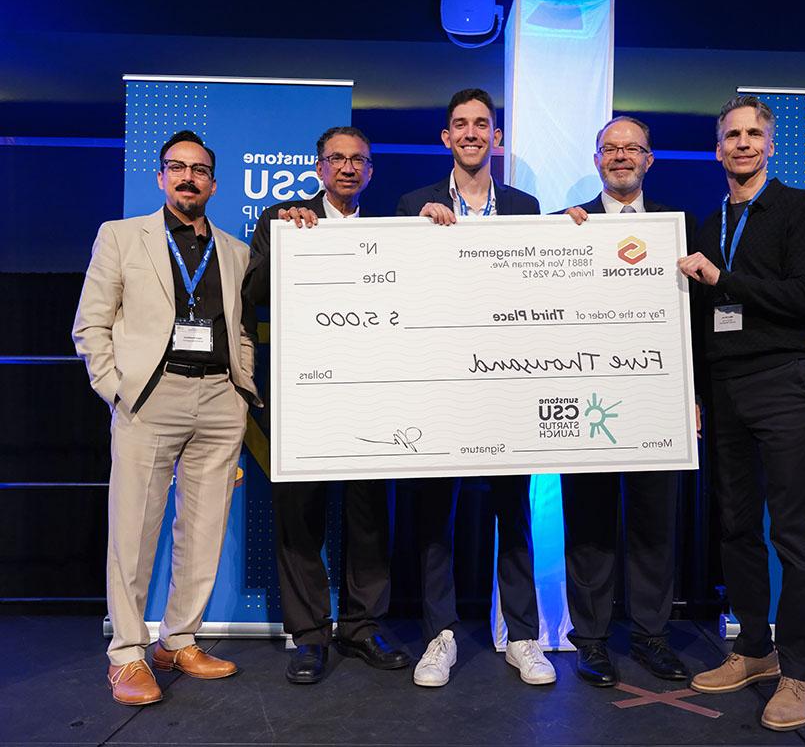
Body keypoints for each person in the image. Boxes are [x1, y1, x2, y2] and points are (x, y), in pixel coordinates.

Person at [72, 130, 259, 705]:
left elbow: (240, 329)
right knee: (133, 529)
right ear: (160, 177)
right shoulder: (122, 237)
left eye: (198, 170)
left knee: (204, 529)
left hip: (219, 400)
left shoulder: (235, 249)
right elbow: (91, 325)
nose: (187, 178)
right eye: (176, 168)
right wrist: (118, 390)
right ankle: (127, 652)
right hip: (151, 397)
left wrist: (241, 382)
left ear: (213, 182)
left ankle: (178, 640)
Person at [678, 95, 805, 731]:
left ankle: (799, 675)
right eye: (731, 135)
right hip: (724, 388)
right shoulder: (704, 222)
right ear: (718, 149)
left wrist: (725, 280)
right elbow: (689, 314)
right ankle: (753, 649)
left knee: (794, 535)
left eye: (753, 134)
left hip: (783, 382)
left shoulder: (801, 208)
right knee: (736, 527)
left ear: (770, 145)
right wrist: (690, 389)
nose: (742, 144)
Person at [395, 87, 555, 688]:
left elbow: (538, 284)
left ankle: (522, 637)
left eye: (481, 124)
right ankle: (441, 635)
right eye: (459, 124)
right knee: (435, 513)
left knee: (513, 512)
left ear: (497, 137)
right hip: (439, 382)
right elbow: (399, 287)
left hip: (506, 382)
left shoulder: (524, 204)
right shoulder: (415, 202)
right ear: (445, 137)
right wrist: (416, 234)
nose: (470, 133)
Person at [243, 126, 410, 684]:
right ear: (318, 168)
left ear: (370, 171)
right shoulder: (282, 221)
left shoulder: (393, 232)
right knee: (302, 518)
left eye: (358, 160)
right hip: (305, 394)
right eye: (336, 159)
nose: (347, 168)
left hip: (372, 397)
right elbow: (254, 294)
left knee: (369, 520)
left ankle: (362, 627)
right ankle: (310, 635)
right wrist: (291, 244)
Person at [559, 116, 697, 687]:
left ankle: (650, 636)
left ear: (649, 160)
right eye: (610, 149)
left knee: (653, 525)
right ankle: (590, 640)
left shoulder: (680, 229)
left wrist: (694, 395)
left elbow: (699, 323)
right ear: (596, 161)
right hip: (584, 398)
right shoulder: (564, 227)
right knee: (587, 523)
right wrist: (554, 239)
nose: (620, 157)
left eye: (631, 149)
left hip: (656, 398)